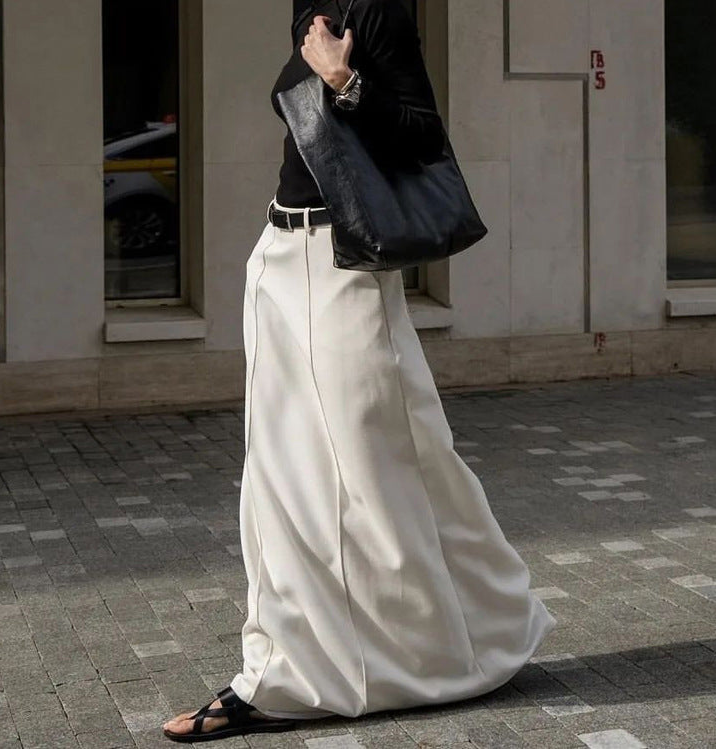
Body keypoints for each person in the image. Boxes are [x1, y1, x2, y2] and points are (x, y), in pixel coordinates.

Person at [163, 0, 556, 742]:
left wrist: (344, 78)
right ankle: (282, 671)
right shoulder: (313, 6)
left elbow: (422, 134)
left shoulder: (375, 9)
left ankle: (480, 631)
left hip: (343, 270)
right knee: (282, 479)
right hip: (282, 261)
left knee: (387, 468)